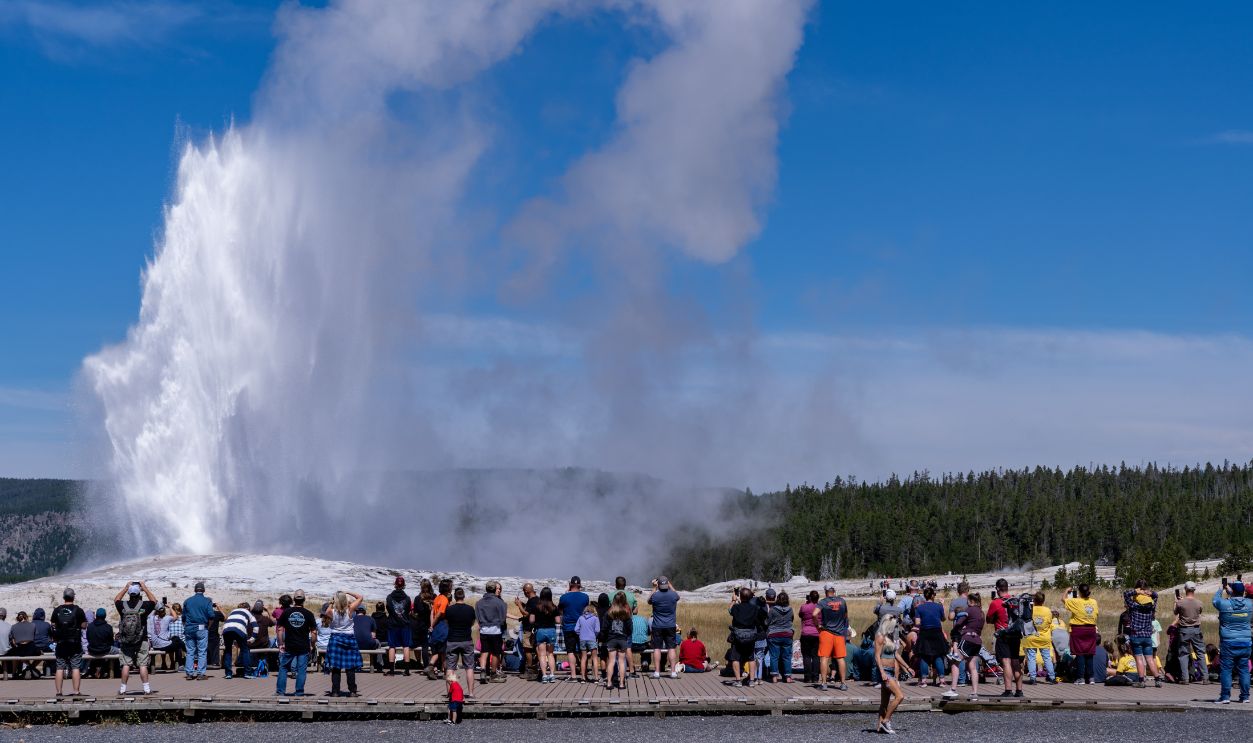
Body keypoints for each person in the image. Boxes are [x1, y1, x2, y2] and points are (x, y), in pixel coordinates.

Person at [1212, 579, 1252, 704]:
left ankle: (1225, 696)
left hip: (1228, 642)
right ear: (1243, 591)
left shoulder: (1224, 604)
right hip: (1245, 641)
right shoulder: (1250, 604)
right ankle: (1245, 696)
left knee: (1226, 670)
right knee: (1244, 669)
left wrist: (1221, 589)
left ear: (1232, 590)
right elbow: (1243, 600)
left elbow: (1215, 600)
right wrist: (1236, 592)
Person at [114, 581, 157, 695]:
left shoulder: (122, 606)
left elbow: (116, 600)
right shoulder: (144, 606)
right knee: (143, 665)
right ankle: (146, 689)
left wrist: (125, 587)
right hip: (141, 639)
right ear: (139, 594)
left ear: (129, 593)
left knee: (126, 665)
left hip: (126, 640)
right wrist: (145, 588)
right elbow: (154, 601)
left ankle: (123, 690)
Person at [943, 592, 984, 701]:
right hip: (977, 641)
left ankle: (953, 690)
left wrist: (955, 630)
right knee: (972, 666)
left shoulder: (969, 610)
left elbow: (959, 623)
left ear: (971, 601)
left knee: (955, 662)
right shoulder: (981, 612)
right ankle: (974, 693)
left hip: (968, 639)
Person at [986, 578, 1023, 698]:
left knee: (1006, 662)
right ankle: (1019, 690)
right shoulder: (1015, 600)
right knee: (1016, 661)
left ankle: (1008, 690)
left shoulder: (996, 603)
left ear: (997, 589)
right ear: (1007, 588)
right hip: (1016, 634)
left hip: (1003, 635)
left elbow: (988, 619)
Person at [276, 589, 316, 697]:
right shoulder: (309, 614)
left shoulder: (286, 612)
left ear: (294, 600)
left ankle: (280, 692)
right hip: (303, 646)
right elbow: (314, 632)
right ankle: (299, 692)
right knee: (301, 670)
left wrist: (280, 643)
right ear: (304, 600)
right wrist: (312, 645)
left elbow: (279, 629)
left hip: (289, 645)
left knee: (283, 667)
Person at [1123, 580, 1163, 688]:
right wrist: (1150, 593)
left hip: (1136, 635)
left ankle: (1141, 681)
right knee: (1150, 658)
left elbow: (1126, 594)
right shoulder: (1151, 605)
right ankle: (1157, 680)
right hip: (1147, 636)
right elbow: (1156, 596)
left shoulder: (1134, 605)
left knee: (1139, 658)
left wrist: (1136, 592)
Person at [324, 591, 364, 697]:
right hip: (349, 639)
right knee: (350, 667)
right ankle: (352, 691)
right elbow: (360, 597)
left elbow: (327, 610)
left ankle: (335, 691)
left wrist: (332, 602)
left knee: (336, 667)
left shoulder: (331, 611)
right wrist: (348, 592)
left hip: (335, 639)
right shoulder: (350, 610)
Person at [50, 588, 87, 697]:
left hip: (61, 642)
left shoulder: (57, 610)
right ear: (73, 597)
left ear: (63, 597)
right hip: (74, 642)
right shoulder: (78, 610)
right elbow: (84, 625)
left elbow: (53, 624)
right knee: (75, 667)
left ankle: (59, 692)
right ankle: (76, 691)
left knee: (60, 667)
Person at [728, 587, 765, 687]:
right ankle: (752, 680)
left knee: (735, 658)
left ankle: (738, 680)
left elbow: (729, 610)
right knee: (751, 658)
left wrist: (733, 601)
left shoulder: (736, 607)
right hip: (751, 636)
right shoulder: (754, 608)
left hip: (738, 636)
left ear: (740, 596)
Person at [444, 587, 477, 698]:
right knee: (469, 668)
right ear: (463, 596)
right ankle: (471, 693)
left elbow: (447, 623)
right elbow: (472, 622)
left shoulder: (449, 609)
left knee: (450, 668)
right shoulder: (470, 609)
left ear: (454, 596)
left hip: (452, 640)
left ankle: (450, 693)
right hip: (466, 640)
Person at [1064, 583, 1099, 684]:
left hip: (1078, 629)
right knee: (1089, 654)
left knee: (1080, 654)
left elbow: (1063, 599)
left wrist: (1067, 591)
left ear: (1079, 592)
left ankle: (1080, 677)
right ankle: (1091, 677)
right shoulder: (1094, 602)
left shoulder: (1076, 601)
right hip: (1091, 629)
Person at [875, 614, 905, 735]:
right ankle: (886, 721)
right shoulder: (880, 637)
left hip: (891, 671)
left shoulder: (890, 637)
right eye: (894, 626)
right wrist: (882, 672)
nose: (895, 628)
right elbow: (877, 656)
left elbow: (896, 655)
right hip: (885, 671)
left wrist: (907, 667)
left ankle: (879, 726)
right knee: (900, 696)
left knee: (884, 702)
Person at [912, 586, 947, 687]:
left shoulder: (919, 608)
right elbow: (943, 619)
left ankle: (923, 681)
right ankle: (942, 680)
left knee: (924, 656)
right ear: (932, 596)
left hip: (925, 632)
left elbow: (917, 622)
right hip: (937, 632)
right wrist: (942, 605)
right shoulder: (938, 606)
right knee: (938, 655)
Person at [557, 576, 590, 681]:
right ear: (580, 585)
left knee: (570, 651)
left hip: (568, 626)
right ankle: (584, 675)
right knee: (582, 651)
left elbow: (560, 610)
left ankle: (574, 675)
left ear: (570, 584)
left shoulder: (564, 597)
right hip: (582, 627)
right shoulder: (585, 597)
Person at [648, 576, 681, 679]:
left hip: (657, 625)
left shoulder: (655, 596)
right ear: (667, 584)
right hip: (670, 625)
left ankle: (657, 672)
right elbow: (677, 595)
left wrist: (654, 587)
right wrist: (670, 584)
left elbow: (649, 600)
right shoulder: (673, 595)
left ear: (658, 585)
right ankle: (673, 672)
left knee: (657, 648)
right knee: (671, 648)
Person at [1174, 581, 1206, 686]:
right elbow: (1199, 612)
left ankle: (1185, 678)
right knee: (1200, 653)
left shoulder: (1180, 603)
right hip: (1196, 629)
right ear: (1194, 590)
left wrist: (1176, 601)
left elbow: (1175, 612)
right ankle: (1205, 677)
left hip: (1184, 630)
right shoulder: (1199, 603)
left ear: (1185, 589)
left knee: (1183, 654)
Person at [476, 580, 507, 683]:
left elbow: (478, 617)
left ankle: (483, 671)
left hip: (484, 629)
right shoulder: (500, 602)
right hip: (495, 630)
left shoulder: (479, 602)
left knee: (484, 652)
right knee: (495, 653)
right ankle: (493, 674)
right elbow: (503, 618)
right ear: (494, 589)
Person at [1022, 591, 1056, 684]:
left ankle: (1032, 678)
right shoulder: (1047, 611)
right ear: (1043, 600)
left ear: (1034, 600)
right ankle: (1052, 677)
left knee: (1031, 657)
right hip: (1044, 637)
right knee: (1047, 657)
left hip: (1032, 636)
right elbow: (1049, 622)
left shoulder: (1030, 609)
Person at [182, 581, 213, 680]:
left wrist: (186, 626)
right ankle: (200, 673)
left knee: (190, 651)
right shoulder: (207, 601)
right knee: (202, 651)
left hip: (189, 628)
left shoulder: (187, 601)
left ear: (195, 590)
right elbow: (211, 616)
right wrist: (209, 626)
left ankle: (189, 673)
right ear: (203, 590)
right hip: (201, 627)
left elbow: (183, 617)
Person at [530, 586, 560, 683]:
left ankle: (544, 675)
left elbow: (531, 620)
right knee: (550, 654)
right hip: (551, 630)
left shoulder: (536, 607)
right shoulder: (554, 607)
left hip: (540, 631)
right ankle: (552, 674)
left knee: (542, 655)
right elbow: (558, 621)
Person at [384, 576, 413, 676]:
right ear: (404, 585)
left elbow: (388, 608)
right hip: (404, 624)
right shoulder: (407, 598)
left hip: (393, 624)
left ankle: (392, 670)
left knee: (392, 646)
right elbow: (409, 610)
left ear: (395, 584)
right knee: (406, 646)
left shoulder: (389, 597)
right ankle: (407, 670)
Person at [222, 602, 258, 679]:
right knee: (245, 650)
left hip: (226, 629)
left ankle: (228, 673)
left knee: (228, 650)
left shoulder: (233, 611)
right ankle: (247, 673)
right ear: (248, 608)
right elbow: (256, 626)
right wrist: (253, 638)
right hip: (239, 629)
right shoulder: (248, 612)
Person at [766, 590, 795, 683]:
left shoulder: (773, 610)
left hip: (774, 634)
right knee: (787, 656)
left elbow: (767, 622)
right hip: (787, 634)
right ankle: (788, 677)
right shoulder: (790, 609)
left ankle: (774, 677)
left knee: (774, 656)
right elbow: (792, 619)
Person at [426, 579, 452, 680]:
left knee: (437, 650)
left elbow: (432, 612)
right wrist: (433, 624)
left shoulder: (437, 598)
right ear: (448, 588)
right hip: (442, 625)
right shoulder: (445, 599)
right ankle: (445, 673)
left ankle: (431, 666)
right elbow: (439, 614)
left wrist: (431, 625)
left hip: (436, 627)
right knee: (444, 651)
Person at [513, 583, 539, 679]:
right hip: (535, 628)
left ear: (526, 591)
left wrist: (519, 605)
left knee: (527, 649)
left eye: (524, 591)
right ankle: (535, 669)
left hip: (528, 628)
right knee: (534, 649)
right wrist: (522, 604)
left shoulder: (532, 601)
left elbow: (525, 614)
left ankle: (529, 670)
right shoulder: (536, 600)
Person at [575, 602, 601, 683]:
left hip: (582, 639)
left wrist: (581, 633)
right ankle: (596, 677)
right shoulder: (595, 618)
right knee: (594, 658)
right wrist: (594, 635)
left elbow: (576, 629)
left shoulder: (580, 618)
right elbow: (597, 630)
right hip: (592, 639)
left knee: (583, 658)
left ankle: (583, 677)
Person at [85, 608, 115, 679]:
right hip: (105, 650)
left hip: (92, 650)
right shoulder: (108, 627)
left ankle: (95, 669)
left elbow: (88, 638)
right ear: (105, 616)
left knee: (98, 650)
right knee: (118, 651)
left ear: (96, 616)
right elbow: (111, 641)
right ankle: (112, 670)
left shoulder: (90, 626)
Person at [799, 590, 820, 683]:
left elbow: (800, 615)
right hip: (817, 633)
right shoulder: (820, 607)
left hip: (806, 633)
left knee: (806, 656)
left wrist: (807, 603)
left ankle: (807, 677)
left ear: (810, 597)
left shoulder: (804, 607)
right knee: (816, 656)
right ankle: (815, 677)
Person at [167, 603, 186, 671]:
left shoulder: (169, 618)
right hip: (181, 639)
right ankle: (180, 664)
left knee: (174, 644)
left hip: (171, 639)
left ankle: (172, 662)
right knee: (179, 645)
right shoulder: (183, 618)